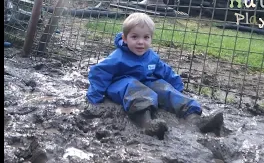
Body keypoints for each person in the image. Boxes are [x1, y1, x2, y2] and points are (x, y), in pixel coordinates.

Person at [86, 12, 223, 139]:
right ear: (125, 38)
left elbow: (164, 70)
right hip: (121, 85)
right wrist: (94, 98)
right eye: (135, 37)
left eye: (146, 37)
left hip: (146, 83)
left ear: (151, 38)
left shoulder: (151, 57)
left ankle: (196, 120)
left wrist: (176, 87)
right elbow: (99, 73)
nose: (141, 42)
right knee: (134, 88)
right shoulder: (117, 57)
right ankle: (147, 123)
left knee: (163, 87)